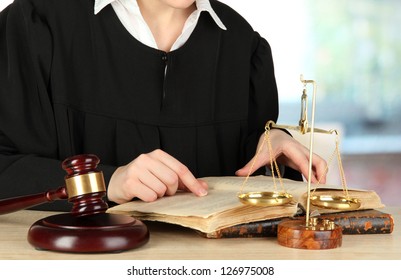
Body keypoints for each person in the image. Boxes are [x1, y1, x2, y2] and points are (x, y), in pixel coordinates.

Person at [0, 0, 326, 211]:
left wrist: (272, 141)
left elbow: (240, 170)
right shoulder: (36, 26)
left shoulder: (242, 45)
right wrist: (108, 181)